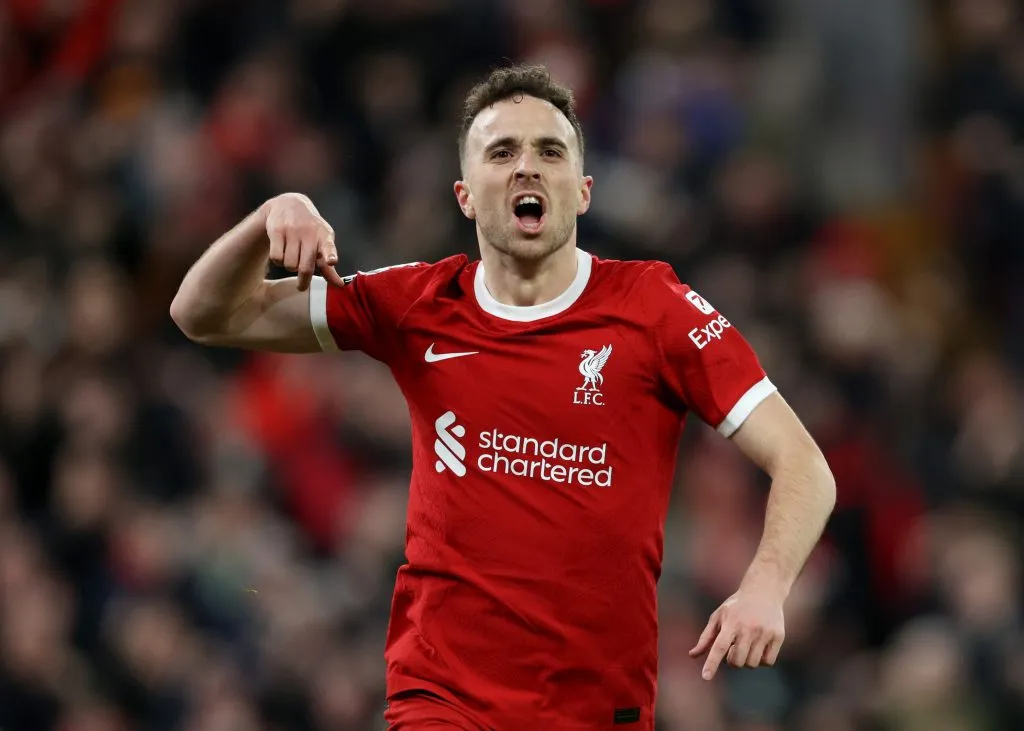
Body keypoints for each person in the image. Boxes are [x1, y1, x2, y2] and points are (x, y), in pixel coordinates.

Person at [170, 64, 836, 731]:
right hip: (443, 697)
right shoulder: (418, 304)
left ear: (583, 191)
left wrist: (765, 586)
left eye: (550, 151)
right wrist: (267, 219)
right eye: (502, 152)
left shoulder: (655, 309)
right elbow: (203, 315)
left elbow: (804, 465)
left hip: (597, 705)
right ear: (464, 195)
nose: (526, 167)